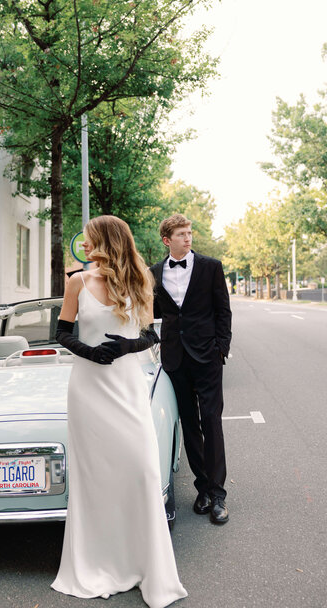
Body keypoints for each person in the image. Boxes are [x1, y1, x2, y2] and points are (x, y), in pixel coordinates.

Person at [51, 215, 187, 608]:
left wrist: (127, 347)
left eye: (92, 240)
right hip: (88, 389)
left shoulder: (139, 279)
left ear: (109, 241)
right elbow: (59, 332)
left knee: (142, 469)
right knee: (95, 479)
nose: (86, 246)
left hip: (127, 387)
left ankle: (143, 563)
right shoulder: (78, 281)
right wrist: (89, 352)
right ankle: (98, 562)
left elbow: (150, 333)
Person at [150, 214, 232, 524]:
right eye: (182, 234)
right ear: (167, 240)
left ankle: (219, 493)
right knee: (189, 424)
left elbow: (223, 310)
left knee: (211, 421)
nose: (188, 238)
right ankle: (203, 488)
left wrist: (221, 348)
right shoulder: (154, 273)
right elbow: (154, 313)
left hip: (207, 357)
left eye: (189, 233)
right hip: (175, 359)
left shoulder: (211, 267)